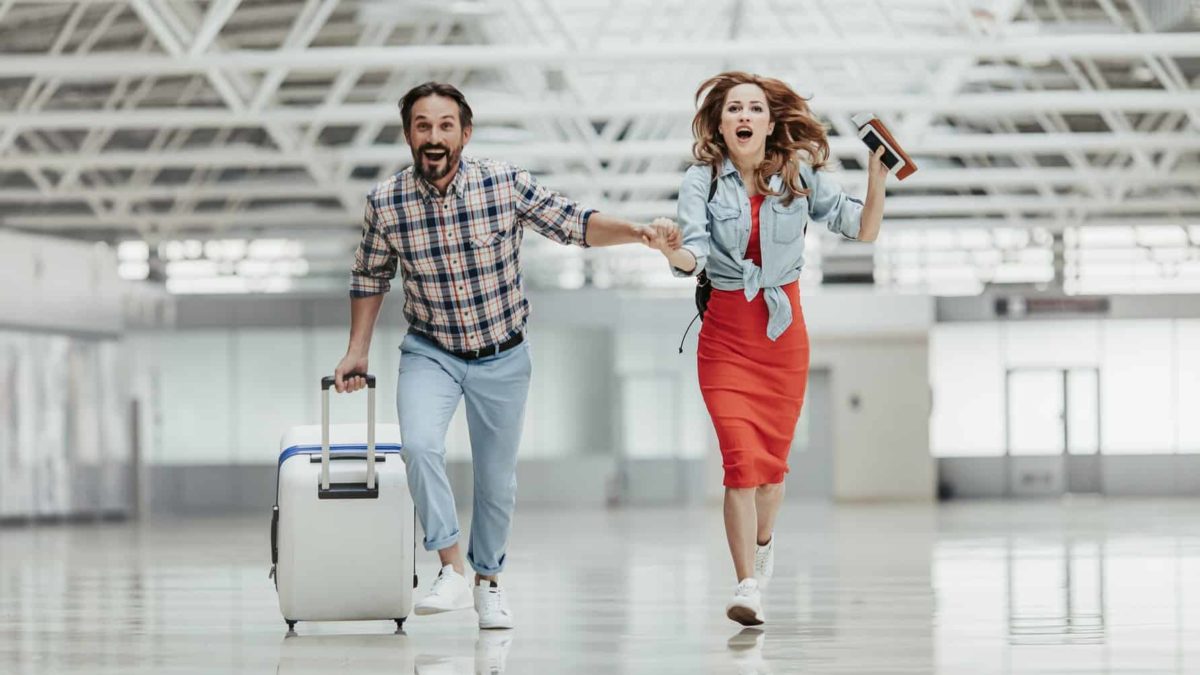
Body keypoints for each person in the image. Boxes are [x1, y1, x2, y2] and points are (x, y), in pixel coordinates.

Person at [333, 81, 678, 630]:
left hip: (503, 355)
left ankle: (488, 584)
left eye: (446, 125)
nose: (434, 136)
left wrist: (638, 233)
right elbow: (369, 274)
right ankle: (449, 567)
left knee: (497, 482)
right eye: (423, 126)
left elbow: (575, 223)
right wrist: (356, 350)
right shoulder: (387, 203)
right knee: (418, 445)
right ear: (408, 136)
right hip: (431, 350)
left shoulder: (503, 184)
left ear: (465, 134)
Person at [646, 71, 890, 626]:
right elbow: (695, 259)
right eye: (734, 108)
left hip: (783, 336)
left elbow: (864, 229)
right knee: (739, 463)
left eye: (754, 108)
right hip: (726, 336)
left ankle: (763, 540)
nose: (744, 116)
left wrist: (876, 174)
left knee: (772, 471)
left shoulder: (800, 175)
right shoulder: (700, 181)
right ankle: (746, 585)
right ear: (721, 123)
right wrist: (670, 253)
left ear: (770, 121)